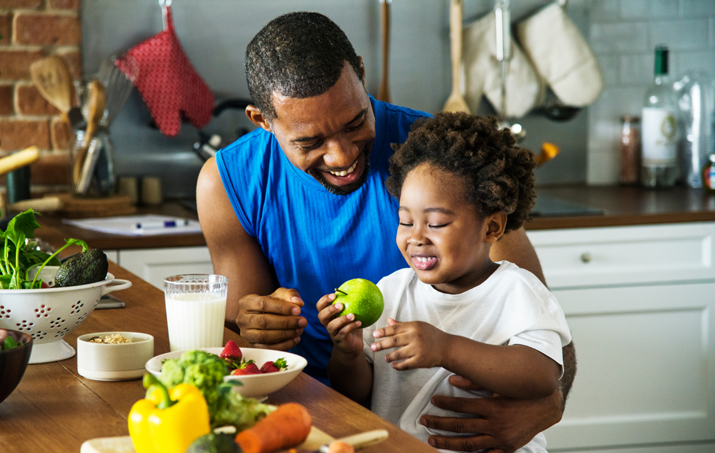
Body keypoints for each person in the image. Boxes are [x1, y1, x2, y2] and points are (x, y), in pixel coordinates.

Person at [196, 11, 577, 452]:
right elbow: (244, 345)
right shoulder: (227, 183)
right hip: (299, 414)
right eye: (310, 142)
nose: (340, 156)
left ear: (360, 72)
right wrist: (256, 322)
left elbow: (541, 323)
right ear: (262, 120)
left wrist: (548, 406)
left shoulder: (441, 163)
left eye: (355, 122)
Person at [316, 112, 572, 452]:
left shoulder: (517, 291)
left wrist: (446, 349)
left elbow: (541, 377)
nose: (416, 238)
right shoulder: (391, 291)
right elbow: (357, 394)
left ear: (491, 228)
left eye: (435, 224)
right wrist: (347, 354)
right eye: (405, 221)